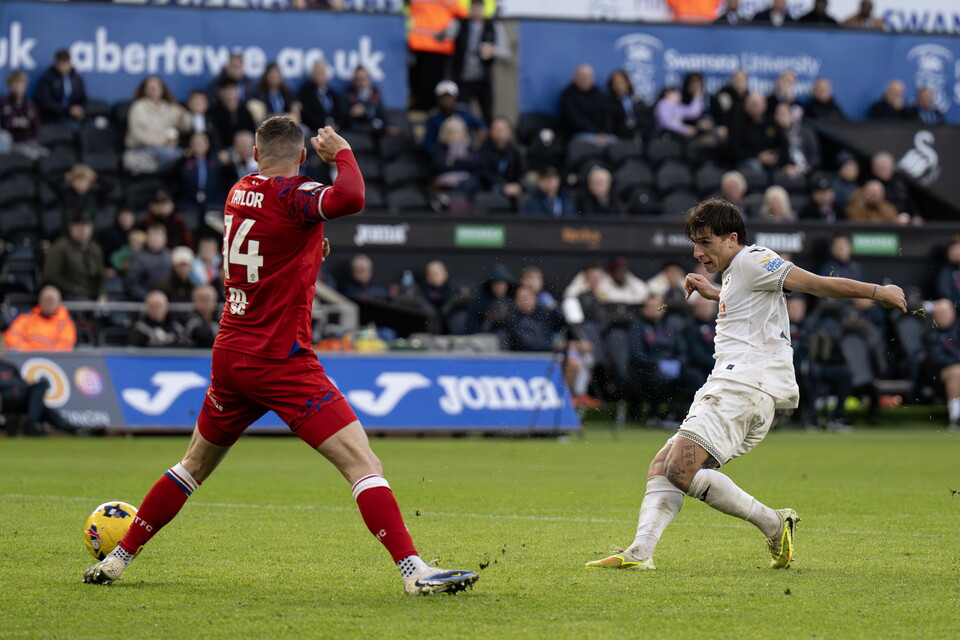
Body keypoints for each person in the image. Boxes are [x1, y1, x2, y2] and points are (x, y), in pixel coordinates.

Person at [84, 117, 479, 595]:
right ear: (302, 157)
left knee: (192, 465)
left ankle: (119, 557)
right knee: (363, 464)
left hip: (231, 353)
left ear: (255, 156)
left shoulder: (236, 192)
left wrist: (311, 251)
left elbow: (273, 246)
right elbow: (351, 197)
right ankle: (414, 572)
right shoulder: (294, 194)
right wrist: (344, 154)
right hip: (280, 358)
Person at [585, 198, 906, 573]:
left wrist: (875, 291)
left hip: (744, 386)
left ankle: (773, 522)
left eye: (705, 242)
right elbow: (751, 305)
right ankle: (640, 552)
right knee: (663, 465)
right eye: (695, 243)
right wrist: (715, 294)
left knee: (678, 470)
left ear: (732, 238)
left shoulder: (753, 259)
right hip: (732, 383)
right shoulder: (737, 273)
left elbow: (815, 284)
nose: (697, 252)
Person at [0, 342, 77, 436]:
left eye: (1, 348)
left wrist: (24, 387)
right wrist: (11, 386)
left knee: (41, 385)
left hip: (21, 398)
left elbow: (22, 383)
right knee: (37, 403)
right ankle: (30, 425)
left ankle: (73, 429)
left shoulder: (10, 367)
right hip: (5, 399)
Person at [452, 0, 510, 124]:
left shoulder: (493, 26)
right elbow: (444, 37)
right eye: (474, 6)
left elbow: (506, 53)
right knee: (462, 114)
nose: (476, 10)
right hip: (463, 78)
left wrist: (493, 50)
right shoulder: (460, 24)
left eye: (479, 7)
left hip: (483, 78)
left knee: (488, 113)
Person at [407, 0, 467, 111]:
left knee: (422, 79)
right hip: (433, 44)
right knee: (427, 80)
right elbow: (461, 12)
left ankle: (422, 106)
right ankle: (426, 107)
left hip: (424, 43)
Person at [124, 76, 190, 173]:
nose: (153, 90)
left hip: (166, 150)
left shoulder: (169, 107)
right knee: (130, 160)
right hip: (143, 149)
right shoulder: (138, 107)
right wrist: (163, 140)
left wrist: (183, 117)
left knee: (185, 157)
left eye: (156, 87)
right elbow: (137, 135)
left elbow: (187, 127)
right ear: (144, 90)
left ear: (162, 89)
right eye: (150, 87)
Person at [42, 216, 106, 301]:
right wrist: (73, 289)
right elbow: (50, 276)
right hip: (67, 295)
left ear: (91, 229)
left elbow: (100, 275)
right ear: (71, 228)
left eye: (86, 227)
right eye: (78, 227)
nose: (82, 230)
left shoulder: (95, 249)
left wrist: (102, 294)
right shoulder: (60, 247)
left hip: (92, 295)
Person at [3, 286, 76, 351]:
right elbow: (10, 337)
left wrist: (39, 351)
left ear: (58, 302)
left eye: (51, 300)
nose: (49, 303)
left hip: (52, 362)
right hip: (24, 359)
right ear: (40, 301)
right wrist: (29, 350)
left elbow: (65, 345)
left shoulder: (65, 322)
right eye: (46, 300)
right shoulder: (26, 318)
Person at [423, 81, 486, 156]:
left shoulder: (464, 113)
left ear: (455, 97)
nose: (447, 100)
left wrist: (476, 146)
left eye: (450, 97)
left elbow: (482, 127)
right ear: (438, 99)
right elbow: (429, 145)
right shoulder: (433, 117)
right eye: (443, 97)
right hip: (442, 157)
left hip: (466, 154)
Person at [927, 299, 960, 430]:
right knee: (957, 372)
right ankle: (956, 417)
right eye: (939, 313)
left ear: (953, 312)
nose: (943, 316)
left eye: (945, 312)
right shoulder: (932, 334)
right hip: (939, 374)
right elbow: (937, 359)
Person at [560, 64, 614, 145]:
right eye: (582, 76)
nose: (585, 78)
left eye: (588, 76)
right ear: (575, 78)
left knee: (616, 144)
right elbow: (574, 118)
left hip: (602, 135)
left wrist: (604, 132)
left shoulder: (598, 93)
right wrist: (596, 132)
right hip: (578, 134)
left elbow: (607, 114)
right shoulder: (568, 95)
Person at [477, 116, 524, 202]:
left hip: (512, 186)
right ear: (490, 131)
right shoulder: (483, 150)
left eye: (502, 129)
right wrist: (503, 185)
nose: (499, 132)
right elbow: (483, 173)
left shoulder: (515, 151)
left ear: (509, 132)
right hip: (490, 185)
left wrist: (517, 185)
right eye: (496, 129)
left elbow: (520, 172)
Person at [34, 49, 87, 125]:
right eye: (61, 63)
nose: (63, 66)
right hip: (52, 118)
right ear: (56, 63)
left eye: (65, 63)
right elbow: (45, 102)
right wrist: (67, 110)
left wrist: (79, 110)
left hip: (73, 118)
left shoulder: (77, 79)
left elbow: (83, 98)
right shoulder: (47, 78)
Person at [1, 70, 46, 159]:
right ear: (10, 85)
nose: (19, 87)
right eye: (15, 83)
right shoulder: (3, 103)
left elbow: (37, 127)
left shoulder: (30, 104)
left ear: (26, 85)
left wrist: (33, 140)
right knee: (28, 153)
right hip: (11, 144)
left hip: (29, 142)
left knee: (46, 154)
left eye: (21, 84)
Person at [179, 132, 225, 215]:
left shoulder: (216, 162)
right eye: (196, 142)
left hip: (213, 204)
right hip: (190, 205)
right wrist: (183, 157)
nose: (199, 144)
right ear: (190, 145)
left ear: (208, 144)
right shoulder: (184, 163)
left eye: (202, 142)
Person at [126, 223, 172, 301]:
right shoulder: (140, 258)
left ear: (165, 238)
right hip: (147, 302)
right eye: (153, 235)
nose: (155, 239)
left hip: (170, 302)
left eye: (158, 235)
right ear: (147, 238)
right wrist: (149, 297)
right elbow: (130, 284)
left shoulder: (171, 256)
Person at [209, 78, 257, 151]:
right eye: (226, 90)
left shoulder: (245, 111)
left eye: (232, 89)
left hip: (246, 151)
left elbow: (252, 133)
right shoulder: (213, 113)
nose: (229, 94)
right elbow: (214, 138)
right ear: (219, 92)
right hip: (224, 152)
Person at [607, 69, 652, 142]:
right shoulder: (609, 103)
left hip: (638, 136)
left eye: (620, 82)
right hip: (618, 137)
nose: (618, 86)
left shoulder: (638, 102)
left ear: (627, 83)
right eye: (615, 83)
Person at [298, 62, 342, 133]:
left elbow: (339, 112)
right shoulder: (306, 91)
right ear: (312, 75)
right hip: (314, 130)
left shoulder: (332, 93)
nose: (321, 76)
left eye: (323, 73)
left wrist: (337, 124)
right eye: (319, 73)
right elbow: (307, 113)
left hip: (332, 129)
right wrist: (323, 125)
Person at [59, 163, 103, 233]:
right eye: (77, 180)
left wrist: (98, 177)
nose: (80, 184)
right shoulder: (66, 194)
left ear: (90, 182)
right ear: (72, 182)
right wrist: (67, 177)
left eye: (83, 180)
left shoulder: (95, 194)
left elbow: (110, 186)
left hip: (91, 230)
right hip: (70, 230)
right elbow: (54, 185)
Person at [341, 66, 385, 133]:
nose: (362, 83)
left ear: (369, 78)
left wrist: (366, 110)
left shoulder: (375, 93)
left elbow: (381, 114)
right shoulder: (348, 94)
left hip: (372, 130)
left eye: (364, 79)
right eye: (359, 80)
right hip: (354, 129)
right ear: (354, 81)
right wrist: (351, 112)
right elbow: (342, 116)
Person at [184, 284, 221, 349]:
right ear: (194, 301)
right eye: (201, 299)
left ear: (215, 301)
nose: (205, 303)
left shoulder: (221, 318)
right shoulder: (189, 318)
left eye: (208, 299)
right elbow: (200, 334)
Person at [935, 237, 960, 307]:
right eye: (952, 250)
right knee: (943, 305)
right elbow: (944, 292)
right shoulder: (946, 271)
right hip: (953, 306)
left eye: (958, 249)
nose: (955, 252)